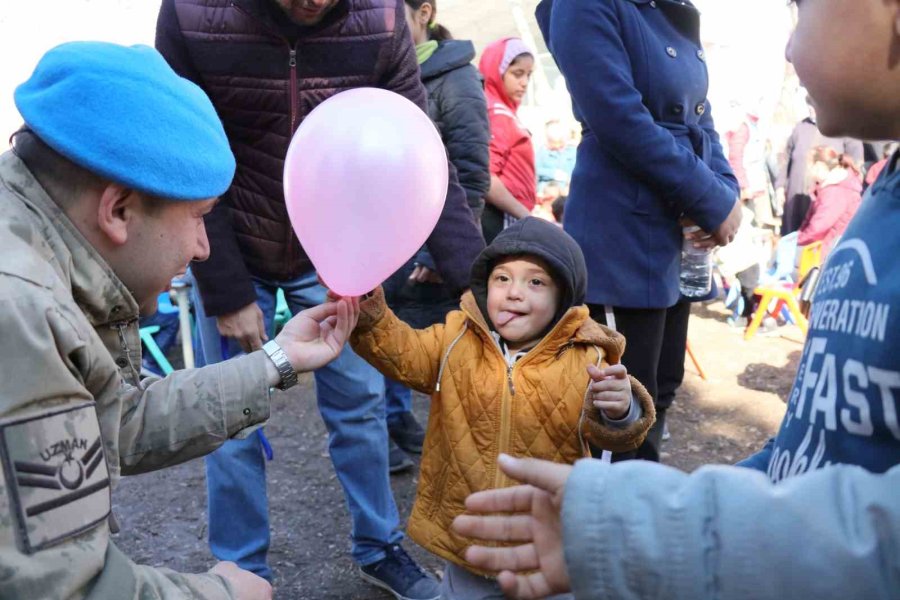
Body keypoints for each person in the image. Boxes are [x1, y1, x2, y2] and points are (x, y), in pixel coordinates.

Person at [455, 0, 900, 595]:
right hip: (623, 246)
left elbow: (701, 117)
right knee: (619, 405)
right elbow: (809, 449)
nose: (790, 49)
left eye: (802, 7)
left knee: (654, 397)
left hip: (668, 247)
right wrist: (644, 528)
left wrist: (719, 192)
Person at [0, 41, 359, 600]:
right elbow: (62, 590)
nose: (202, 247)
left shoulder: (38, 260)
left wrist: (277, 361)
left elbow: (115, 420)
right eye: (197, 217)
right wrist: (226, 594)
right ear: (117, 210)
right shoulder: (20, 310)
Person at [155, 2, 485, 597]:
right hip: (234, 242)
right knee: (231, 415)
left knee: (360, 408)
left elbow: (422, 157)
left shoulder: (382, 19)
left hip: (336, 252)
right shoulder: (192, 13)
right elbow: (184, 148)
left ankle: (379, 547)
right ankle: (241, 571)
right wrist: (226, 288)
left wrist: (477, 284)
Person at [349, 217, 655, 600]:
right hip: (469, 535)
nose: (513, 293)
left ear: (563, 297)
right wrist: (371, 314)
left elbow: (617, 434)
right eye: (502, 278)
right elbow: (404, 354)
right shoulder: (457, 338)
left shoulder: (586, 356)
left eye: (536, 282)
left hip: (547, 541)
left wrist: (620, 409)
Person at [536, 0, 742, 463]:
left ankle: (637, 521)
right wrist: (707, 199)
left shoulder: (667, 9)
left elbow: (699, 119)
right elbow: (617, 118)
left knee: (662, 390)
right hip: (622, 236)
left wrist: (724, 195)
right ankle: (609, 531)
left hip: (676, 237)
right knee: (622, 414)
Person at [382, 0, 491, 471]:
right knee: (388, 345)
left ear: (423, 12)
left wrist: (435, 249)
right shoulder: (380, 69)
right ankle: (396, 430)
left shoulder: (457, 77)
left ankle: (468, 459)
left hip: (435, 249)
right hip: (386, 246)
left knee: (448, 362)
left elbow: (469, 170)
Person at [776, 99, 864, 236]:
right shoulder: (801, 127)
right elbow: (785, 158)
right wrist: (780, 186)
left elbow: (856, 162)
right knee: (793, 235)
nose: (811, 108)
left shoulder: (843, 128)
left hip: (827, 200)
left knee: (813, 237)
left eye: (814, 103)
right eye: (808, 104)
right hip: (796, 196)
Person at [479, 38, 537, 244]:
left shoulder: (504, 112)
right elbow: (487, 177)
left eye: (528, 75)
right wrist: (526, 215)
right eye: (517, 73)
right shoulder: (497, 114)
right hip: (502, 217)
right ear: (497, 72)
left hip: (509, 215)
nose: (524, 83)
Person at [797, 146, 863, 256]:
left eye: (811, 167)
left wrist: (796, 241)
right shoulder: (830, 186)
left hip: (829, 252)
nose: (809, 171)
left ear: (820, 166)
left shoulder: (835, 191)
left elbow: (818, 227)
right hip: (830, 247)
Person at [535, 119, 577, 196]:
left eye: (560, 143)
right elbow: (535, 170)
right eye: (553, 143)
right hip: (547, 192)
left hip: (569, 192)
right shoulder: (543, 153)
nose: (557, 146)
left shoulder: (573, 152)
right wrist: (553, 174)